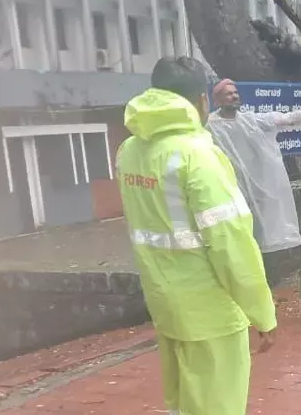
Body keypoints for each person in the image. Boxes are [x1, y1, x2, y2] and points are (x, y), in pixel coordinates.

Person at [116, 57, 277, 415]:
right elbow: (231, 244)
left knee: (182, 403)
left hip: (166, 305)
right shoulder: (198, 156)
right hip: (212, 312)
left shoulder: (129, 152)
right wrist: (262, 312)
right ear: (203, 100)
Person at [207, 79, 301, 282]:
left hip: (257, 193)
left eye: (235, 92)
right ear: (217, 101)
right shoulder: (209, 127)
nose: (234, 96)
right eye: (228, 94)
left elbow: (286, 119)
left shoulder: (251, 121)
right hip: (229, 193)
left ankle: (264, 278)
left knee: (261, 237)